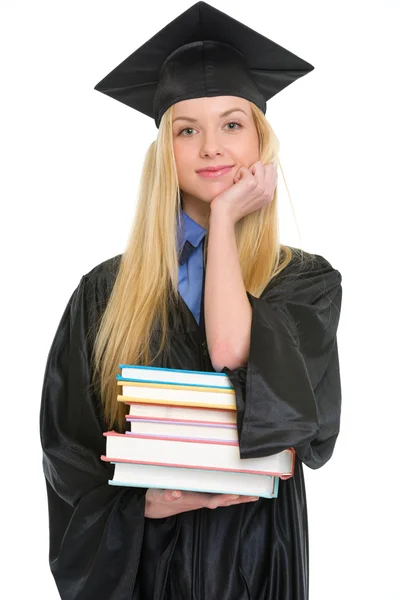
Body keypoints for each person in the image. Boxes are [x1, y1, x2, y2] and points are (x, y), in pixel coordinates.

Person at [39, 2, 343, 599]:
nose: (210, 147)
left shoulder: (303, 283)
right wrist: (141, 507)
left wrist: (226, 221)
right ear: (164, 151)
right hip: (150, 565)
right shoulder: (105, 292)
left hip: (259, 559)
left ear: (260, 140)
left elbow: (232, 350)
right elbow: (67, 450)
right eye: (187, 129)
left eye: (232, 124)